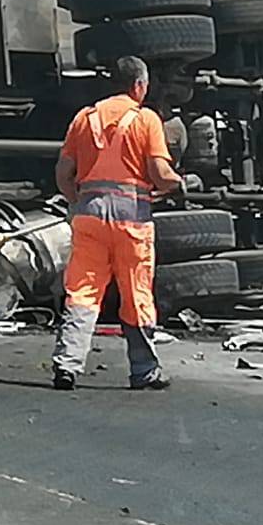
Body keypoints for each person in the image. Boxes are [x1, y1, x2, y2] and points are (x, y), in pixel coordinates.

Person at [52, 56, 184, 391]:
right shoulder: (146, 119)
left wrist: (76, 199)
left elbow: (63, 174)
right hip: (131, 221)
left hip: (89, 216)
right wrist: (179, 184)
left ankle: (67, 366)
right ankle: (143, 371)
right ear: (139, 85)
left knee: (82, 291)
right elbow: (159, 174)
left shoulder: (84, 118)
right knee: (135, 292)